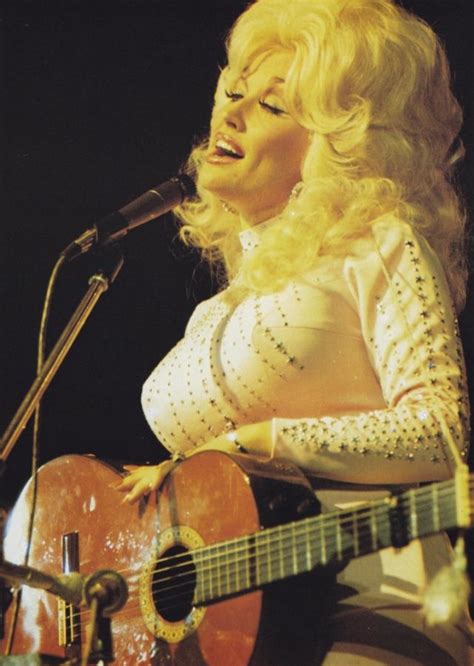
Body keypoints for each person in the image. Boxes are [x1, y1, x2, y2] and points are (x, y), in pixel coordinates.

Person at [117, 0, 472, 662]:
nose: (231, 115)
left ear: (340, 143)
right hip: (233, 635)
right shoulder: (215, 313)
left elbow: (442, 433)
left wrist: (254, 440)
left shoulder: (380, 245)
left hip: (368, 609)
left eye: (273, 106)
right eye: (234, 94)